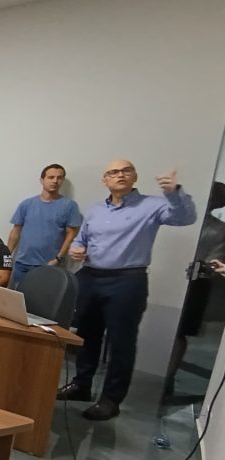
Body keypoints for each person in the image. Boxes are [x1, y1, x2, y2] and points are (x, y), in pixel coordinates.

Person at [59, 161, 197, 420]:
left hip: (127, 280)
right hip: (91, 276)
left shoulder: (152, 205)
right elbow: (82, 238)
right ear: (105, 180)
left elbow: (185, 218)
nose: (120, 175)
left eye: (126, 170)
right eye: (113, 172)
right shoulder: (96, 209)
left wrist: (174, 192)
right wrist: (77, 248)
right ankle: (81, 385)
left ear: (135, 176)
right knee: (87, 335)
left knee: (121, 342)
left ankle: (111, 399)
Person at [6, 164, 82, 286]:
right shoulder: (27, 204)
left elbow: (71, 234)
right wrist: (7, 256)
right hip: (23, 264)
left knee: (48, 297)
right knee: (20, 296)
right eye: (51, 177)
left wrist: (58, 258)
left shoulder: (69, 206)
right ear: (42, 180)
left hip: (51, 265)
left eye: (59, 178)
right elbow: (16, 231)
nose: (55, 181)